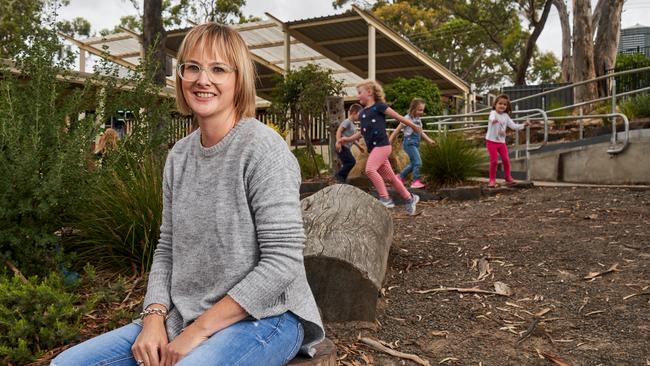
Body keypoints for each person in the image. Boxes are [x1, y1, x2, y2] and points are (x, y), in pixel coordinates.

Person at [51, 23, 324, 366]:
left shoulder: (263, 149)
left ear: (239, 79)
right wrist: (153, 318)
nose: (202, 79)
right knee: (67, 364)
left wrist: (197, 332)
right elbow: (167, 248)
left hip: (269, 316)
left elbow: (282, 261)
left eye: (218, 69)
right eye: (191, 67)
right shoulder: (178, 156)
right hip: (186, 314)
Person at [339, 80, 420, 215]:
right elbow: (362, 132)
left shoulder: (379, 107)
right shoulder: (363, 113)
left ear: (370, 92)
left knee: (370, 170)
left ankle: (385, 198)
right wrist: (347, 139)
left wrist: (413, 125)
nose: (358, 96)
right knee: (391, 178)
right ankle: (410, 198)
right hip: (374, 150)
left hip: (382, 146)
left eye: (360, 93)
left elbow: (398, 117)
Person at [388, 98, 435, 189]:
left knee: (413, 163)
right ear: (413, 109)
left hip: (416, 143)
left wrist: (429, 140)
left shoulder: (418, 119)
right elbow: (397, 130)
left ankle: (400, 177)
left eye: (422, 110)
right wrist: (389, 140)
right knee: (418, 162)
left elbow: (420, 132)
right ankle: (415, 181)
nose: (421, 112)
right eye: (419, 110)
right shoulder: (406, 118)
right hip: (409, 143)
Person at [486, 94, 530, 188]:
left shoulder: (506, 116)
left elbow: (513, 126)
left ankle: (508, 177)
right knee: (494, 161)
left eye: (504, 104)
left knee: (506, 160)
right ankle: (492, 180)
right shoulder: (493, 113)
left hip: (501, 143)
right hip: (491, 141)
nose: (502, 106)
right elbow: (491, 117)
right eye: (500, 103)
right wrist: (493, 120)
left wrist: (523, 125)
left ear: (507, 107)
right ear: (495, 104)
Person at [334, 103, 364, 183]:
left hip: (347, 147)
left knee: (347, 163)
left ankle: (342, 179)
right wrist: (338, 142)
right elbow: (339, 131)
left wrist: (359, 147)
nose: (360, 117)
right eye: (359, 114)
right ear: (354, 113)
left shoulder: (353, 125)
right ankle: (339, 175)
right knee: (351, 161)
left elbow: (351, 139)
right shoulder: (347, 121)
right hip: (342, 146)